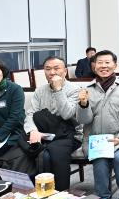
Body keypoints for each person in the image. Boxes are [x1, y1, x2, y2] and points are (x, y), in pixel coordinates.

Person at [76, 50, 119, 199]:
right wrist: (83, 104)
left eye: (107, 62)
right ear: (94, 66)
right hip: (96, 139)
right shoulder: (86, 90)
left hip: (118, 138)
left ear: (115, 65)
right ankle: (102, 198)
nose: (104, 66)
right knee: (100, 161)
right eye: (100, 63)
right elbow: (84, 120)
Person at [24, 56, 81, 191]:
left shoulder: (75, 89)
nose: (52, 72)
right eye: (48, 69)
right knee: (22, 148)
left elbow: (67, 114)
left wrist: (58, 90)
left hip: (68, 134)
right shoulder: (40, 90)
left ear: (65, 71)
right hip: (43, 132)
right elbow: (30, 114)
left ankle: (60, 193)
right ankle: (29, 190)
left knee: (50, 155)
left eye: (56, 68)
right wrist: (33, 131)